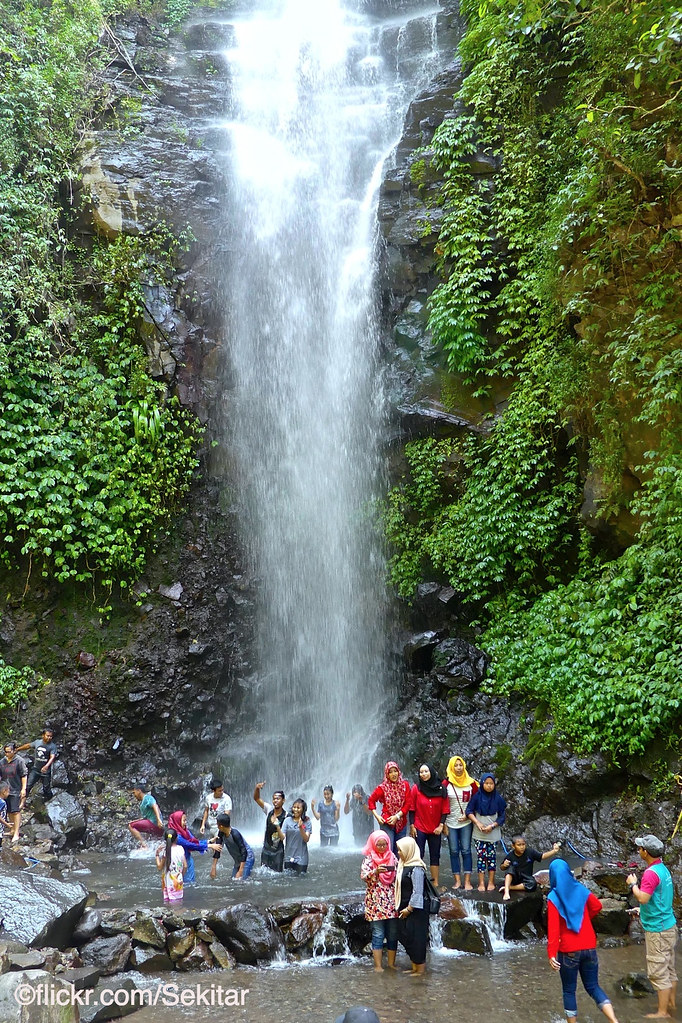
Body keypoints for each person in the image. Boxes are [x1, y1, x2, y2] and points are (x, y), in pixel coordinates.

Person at [547, 858, 619, 1023]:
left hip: (568, 950)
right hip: (589, 946)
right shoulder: (580, 888)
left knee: (569, 991)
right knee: (593, 986)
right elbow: (597, 906)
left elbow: (553, 929)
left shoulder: (553, 897)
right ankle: (614, 1020)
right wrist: (583, 920)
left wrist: (551, 954)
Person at [626, 833, 678, 1019]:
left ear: (645, 852)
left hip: (658, 930)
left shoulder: (650, 874)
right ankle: (670, 1004)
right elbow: (659, 898)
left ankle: (662, 1013)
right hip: (669, 925)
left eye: (640, 848)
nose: (638, 850)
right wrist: (641, 911)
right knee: (669, 968)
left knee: (658, 972)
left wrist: (633, 885)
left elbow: (643, 898)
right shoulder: (663, 869)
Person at [361, 831, 398, 972]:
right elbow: (364, 876)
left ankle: (391, 964)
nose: (382, 848)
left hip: (391, 901)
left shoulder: (392, 857)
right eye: (379, 845)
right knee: (378, 933)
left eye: (384, 845)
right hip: (375, 902)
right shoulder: (369, 859)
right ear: (373, 844)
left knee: (393, 933)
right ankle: (378, 965)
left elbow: (399, 874)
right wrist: (375, 872)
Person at [408, 764, 448, 887]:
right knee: (418, 854)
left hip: (435, 827)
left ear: (431, 772)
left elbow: (445, 809)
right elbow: (412, 808)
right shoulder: (416, 788)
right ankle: (418, 882)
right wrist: (412, 825)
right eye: (421, 772)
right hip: (420, 826)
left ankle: (435, 882)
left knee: (435, 855)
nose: (423, 774)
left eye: (426, 771)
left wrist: (441, 825)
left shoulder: (441, 788)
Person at [395, 836, 429, 976]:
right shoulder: (403, 865)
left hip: (416, 910)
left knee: (417, 938)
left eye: (401, 850)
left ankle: (420, 971)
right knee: (406, 935)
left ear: (409, 850)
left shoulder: (417, 868)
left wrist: (409, 909)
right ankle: (414, 966)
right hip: (404, 907)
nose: (399, 853)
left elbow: (418, 891)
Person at [466, 772, 506, 891]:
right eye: (487, 783)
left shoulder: (498, 798)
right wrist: (477, 823)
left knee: (492, 857)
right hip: (479, 833)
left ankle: (491, 882)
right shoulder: (477, 797)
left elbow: (502, 816)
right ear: (482, 783)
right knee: (481, 857)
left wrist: (492, 826)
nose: (489, 786)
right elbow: (469, 811)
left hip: (493, 833)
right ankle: (481, 883)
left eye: (491, 783)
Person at [443, 755, 478, 890]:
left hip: (466, 822)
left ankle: (467, 881)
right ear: (451, 767)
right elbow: (442, 804)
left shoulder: (471, 783)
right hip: (450, 822)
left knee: (466, 850)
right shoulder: (446, 784)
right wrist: (443, 824)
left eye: (460, 765)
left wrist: (470, 815)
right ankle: (457, 881)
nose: (458, 768)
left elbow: (477, 800)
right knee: (453, 851)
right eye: (456, 765)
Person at [500, 835, 562, 900]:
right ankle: (506, 892)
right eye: (519, 845)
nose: (522, 847)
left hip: (526, 878)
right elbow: (502, 868)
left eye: (523, 844)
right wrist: (504, 865)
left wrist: (554, 851)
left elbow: (542, 856)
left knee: (533, 884)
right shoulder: (510, 856)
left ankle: (510, 887)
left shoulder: (530, 852)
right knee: (510, 869)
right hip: (515, 877)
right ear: (513, 846)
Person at [368, 762, 410, 854]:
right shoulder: (382, 787)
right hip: (387, 822)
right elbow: (371, 800)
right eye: (390, 772)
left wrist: (397, 816)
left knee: (400, 851)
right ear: (387, 774)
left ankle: (398, 865)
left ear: (399, 772)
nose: (393, 774)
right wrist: (377, 816)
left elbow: (408, 804)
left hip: (401, 822)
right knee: (388, 850)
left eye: (395, 771)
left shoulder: (405, 785)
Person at [253, 781, 287, 872]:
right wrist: (257, 788)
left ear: (283, 800)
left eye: (278, 799)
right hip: (266, 849)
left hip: (278, 851)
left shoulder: (286, 816)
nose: (275, 801)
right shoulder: (269, 809)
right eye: (274, 799)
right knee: (263, 873)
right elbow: (256, 798)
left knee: (278, 875)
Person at [210, 813, 255, 880]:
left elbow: (244, 851)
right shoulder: (221, 833)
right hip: (238, 859)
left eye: (217, 824)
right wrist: (213, 867)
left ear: (221, 826)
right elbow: (217, 849)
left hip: (247, 857)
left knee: (241, 880)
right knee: (233, 880)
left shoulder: (235, 834)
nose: (217, 825)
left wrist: (240, 871)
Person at [17, 727, 58, 801]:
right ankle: (23, 802)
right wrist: (18, 749)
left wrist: (46, 766)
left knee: (46, 788)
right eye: (47, 736)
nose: (49, 738)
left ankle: (50, 801)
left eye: (51, 736)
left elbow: (52, 757)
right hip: (35, 769)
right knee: (28, 785)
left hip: (46, 772)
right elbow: (28, 745)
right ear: (43, 735)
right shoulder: (37, 742)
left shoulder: (52, 746)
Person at [167, 810, 208, 882]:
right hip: (180, 863)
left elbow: (194, 841)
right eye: (184, 820)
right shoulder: (177, 837)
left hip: (187, 860)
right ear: (177, 821)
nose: (186, 823)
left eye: (186, 820)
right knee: (185, 883)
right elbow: (190, 845)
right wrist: (208, 845)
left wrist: (208, 842)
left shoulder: (185, 831)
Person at [273, 798, 312, 873]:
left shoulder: (307, 822)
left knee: (301, 878)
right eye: (294, 807)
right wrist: (277, 826)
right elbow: (282, 837)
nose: (295, 809)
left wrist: (301, 828)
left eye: (298, 808)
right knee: (288, 878)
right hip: (288, 857)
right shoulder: (287, 820)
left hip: (302, 858)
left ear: (303, 809)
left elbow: (306, 839)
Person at [0, 742, 28, 845]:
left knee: (15, 811)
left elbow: (24, 775)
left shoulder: (19, 761)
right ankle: (12, 829)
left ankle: (16, 832)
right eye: (5, 752)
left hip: (16, 788)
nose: (7, 754)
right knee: (8, 810)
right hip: (4, 789)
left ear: (14, 751)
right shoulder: (2, 761)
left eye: (9, 752)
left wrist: (23, 789)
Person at [156, 828, 187, 903]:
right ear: (176, 838)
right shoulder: (181, 849)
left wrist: (157, 855)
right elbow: (185, 866)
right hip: (178, 879)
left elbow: (159, 867)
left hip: (168, 881)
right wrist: (181, 875)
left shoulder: (166, 852)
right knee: (178, 900)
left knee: (168, 901)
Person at [0, 781, 9, 850]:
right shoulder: (2, 802)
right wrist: (6, 824)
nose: (9, 794)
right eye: (8, 791)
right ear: (4, 791)